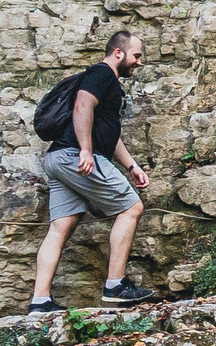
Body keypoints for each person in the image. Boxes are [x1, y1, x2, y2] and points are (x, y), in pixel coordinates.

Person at [28, 30, 159, 313]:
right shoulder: (102, 74)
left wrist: (131, 166)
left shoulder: (104, 79)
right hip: (76, 157)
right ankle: (115, 284)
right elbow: (82, 105)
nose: (139, 62)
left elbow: (108, 134)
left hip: (58, 158)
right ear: (118, 53)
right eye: (136, 55)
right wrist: (86, 150)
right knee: (131, 208)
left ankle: (40, 301)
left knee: (61, 226)